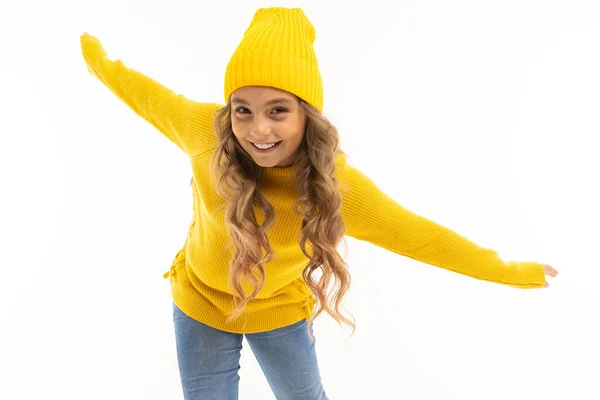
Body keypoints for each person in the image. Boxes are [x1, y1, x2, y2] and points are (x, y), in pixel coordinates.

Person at [79, 6, 558, 400]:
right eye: (242, 110)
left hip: (279, 308)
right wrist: (96, 58)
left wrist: (513, 271)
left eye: (278, 111)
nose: (257, 130)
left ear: (308, 116)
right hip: (199, 299)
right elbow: (143, 94)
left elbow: (422, 237)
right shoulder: (205, 131)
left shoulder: (336, 187)